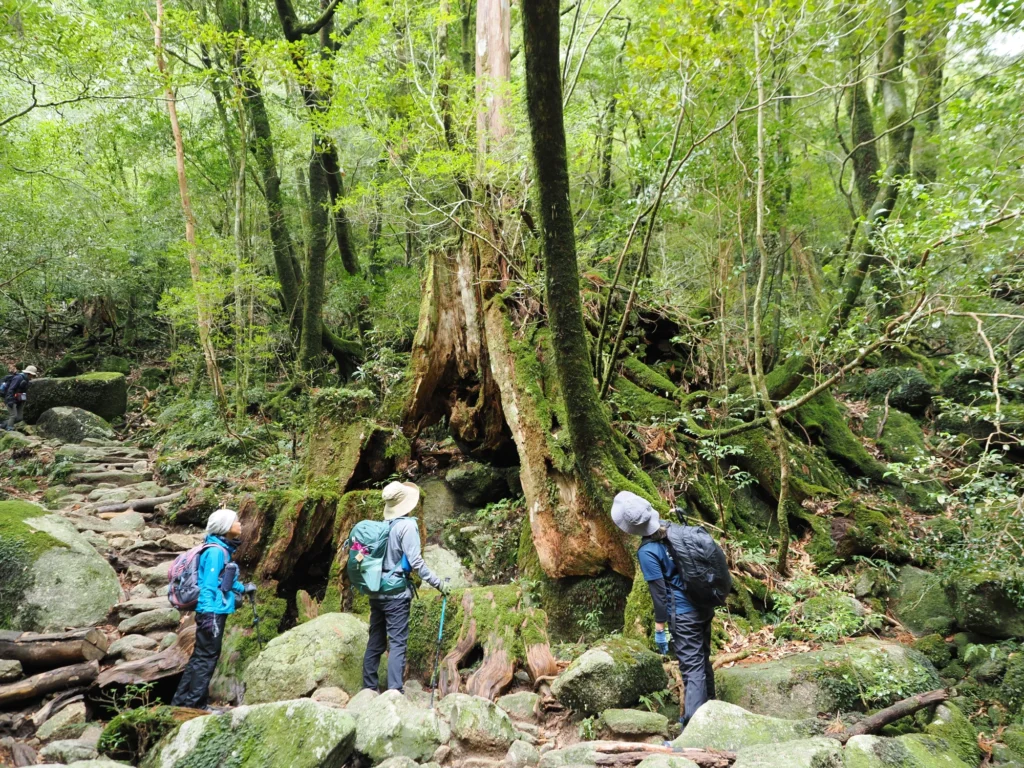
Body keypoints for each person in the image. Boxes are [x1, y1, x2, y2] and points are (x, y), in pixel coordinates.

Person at [611, 491, 715, 728]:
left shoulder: (647, 552)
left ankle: (696, 726)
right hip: (703, 604)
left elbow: (659, 594)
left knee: (692, 667)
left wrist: (660, 626)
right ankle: (713, 711)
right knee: (703, 659)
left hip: (684, 613)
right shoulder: (673, 529)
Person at [361, 481, 449, 693]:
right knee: (398, 643)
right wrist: (438, 584)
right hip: (396, 595)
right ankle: (394, 692)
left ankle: (369, 689)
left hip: (376, 591)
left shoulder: (383, 525)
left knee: (375, 641)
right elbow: (416, 562)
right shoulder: (407, 526)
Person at [171, 508, 255, 710]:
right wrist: (209, 616)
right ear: (226, 527)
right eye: (236, 521)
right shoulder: (216, 552)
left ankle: (181, 702)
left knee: (200, 657)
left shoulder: (222, 549)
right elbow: (208, 585)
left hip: (213, 610)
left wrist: (244, 589)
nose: (240, 524)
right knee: (206, 658)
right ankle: (196, 705)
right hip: (212, 612)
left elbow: (224, 580)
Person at [4, 365, 38, 431]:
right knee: (13, 416)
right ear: (29, 373)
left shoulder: (26, 380)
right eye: (32, 375)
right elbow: (11, 389)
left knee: (19, 417)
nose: (33, 377)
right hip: (11, 399)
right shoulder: (18, 378)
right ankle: (9, 429)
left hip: (19, 400)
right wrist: (10, 400)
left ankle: (3, 424)